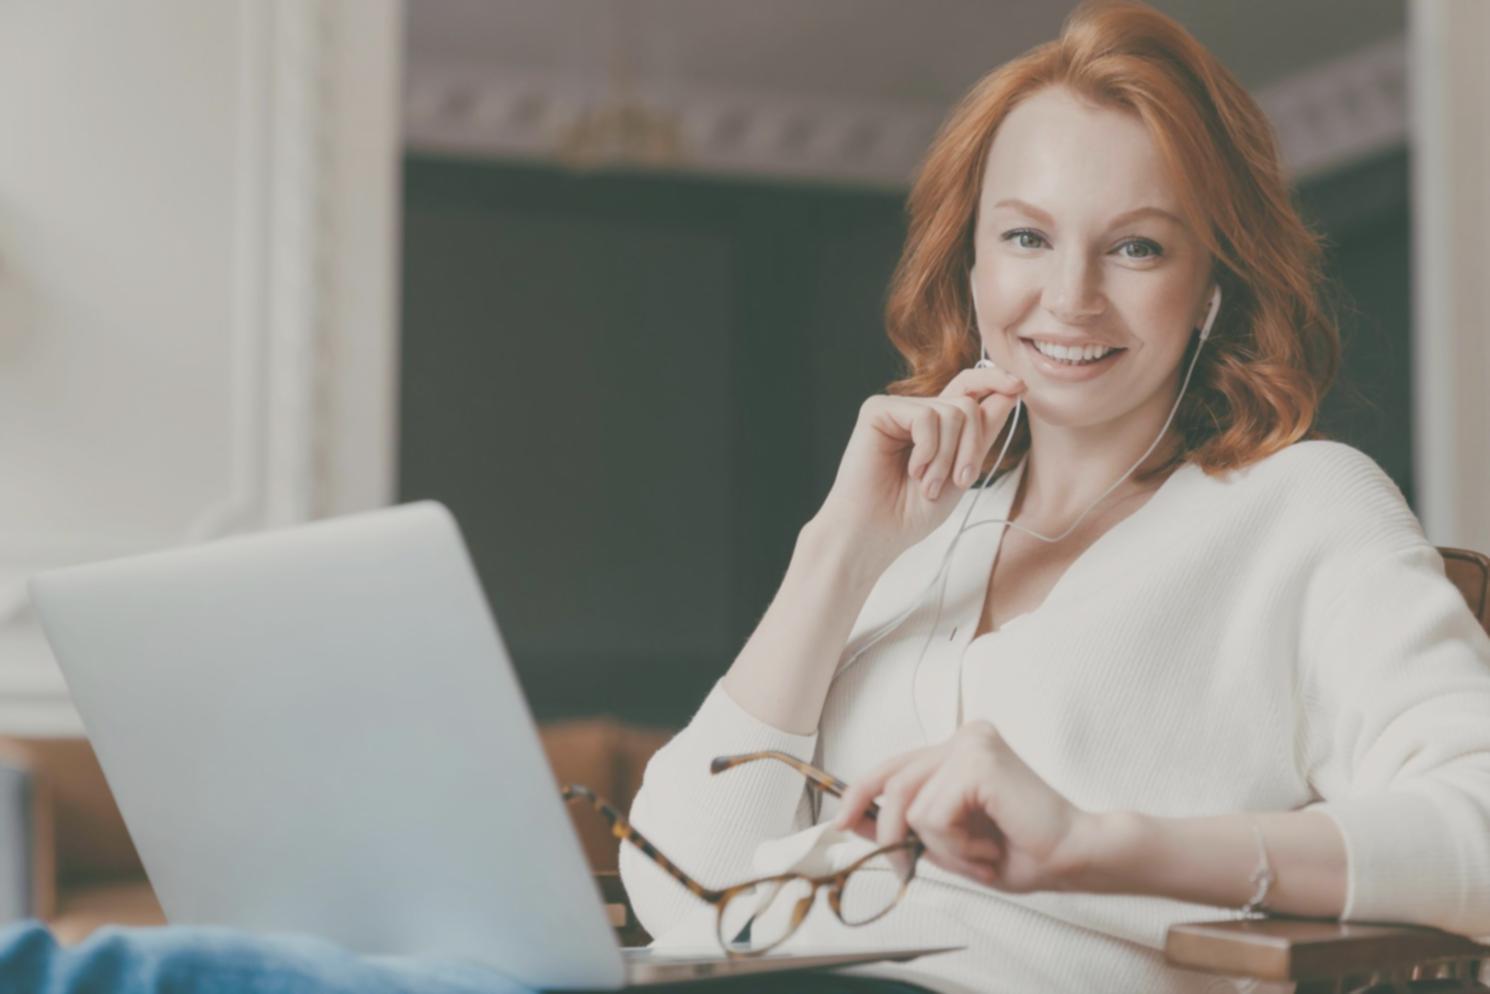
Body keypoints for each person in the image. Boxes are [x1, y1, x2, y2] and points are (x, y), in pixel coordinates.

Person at [617, 1, 1490, 992]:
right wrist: (839, 548)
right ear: (971, 260)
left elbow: (1477, 828)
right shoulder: (917, 528)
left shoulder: (1299, 509)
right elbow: (677, 889)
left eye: (1136, 247)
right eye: (1026, 237)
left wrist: (1098, 842)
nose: (1068, 297)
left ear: (1211, 285)